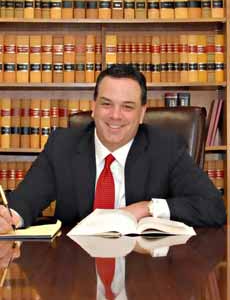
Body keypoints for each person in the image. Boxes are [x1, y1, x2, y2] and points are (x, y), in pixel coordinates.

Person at [0, 64, 226, 233]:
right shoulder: (63, 144)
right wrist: (11, 217)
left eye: (127, 107)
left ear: (142, 113)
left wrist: (146, 208)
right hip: (74, 271)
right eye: (106, 104)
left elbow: (213, 207)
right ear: (93, 108)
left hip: (145, 273)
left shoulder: (165, 148)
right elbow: (25, 200)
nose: (115, 116)